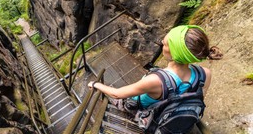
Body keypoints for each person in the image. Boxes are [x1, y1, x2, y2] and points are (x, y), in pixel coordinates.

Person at [88, 25, 223, 115]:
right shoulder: (204, 74)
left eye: (164, 44)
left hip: (143, 109)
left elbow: (117, 94)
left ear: (175, 53)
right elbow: (197, 98)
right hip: (169, 110)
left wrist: (96, 84)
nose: (161, 44)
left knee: (116, 99)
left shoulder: (155, 80)